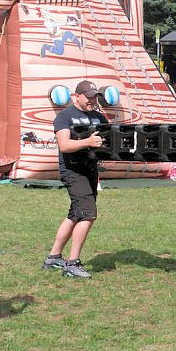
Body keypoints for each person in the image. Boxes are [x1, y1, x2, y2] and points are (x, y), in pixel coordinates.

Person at [43, 80, 107, 278]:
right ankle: (72, 263)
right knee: (88, 215)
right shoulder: (64, 117)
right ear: (76, 96)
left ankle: (53, 257)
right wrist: (87, 141)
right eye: (88, 97)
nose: (92, 101)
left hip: (90, 170)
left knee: (76, 214)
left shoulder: (99, 116)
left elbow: (108, 139)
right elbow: (64, 145)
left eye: (94, 97)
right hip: (72, 171)